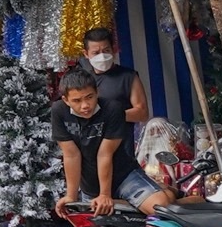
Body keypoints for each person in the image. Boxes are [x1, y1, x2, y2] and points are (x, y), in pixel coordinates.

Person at [53, 68, 165, 213]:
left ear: (97, 93)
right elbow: (71, 155)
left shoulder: (113, 108)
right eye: (77, 100)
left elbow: (105, 154)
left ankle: (162, 194)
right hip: (91, 185)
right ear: (66, 100)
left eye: (89, 97)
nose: (85, 105)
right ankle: (139, 201)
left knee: (160, 208)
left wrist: (105, 195)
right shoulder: (58, 111)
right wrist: (71, 196)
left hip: (124, 176)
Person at [79, 26, 150, 135]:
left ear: (113, 50)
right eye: (96, 53)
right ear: (86, 54)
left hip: (123, 139)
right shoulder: (82, 80)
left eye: (106, 51)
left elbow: (142, 112)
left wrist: (108, 117)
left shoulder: (128, 76)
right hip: (91, 141)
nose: (102, 56)